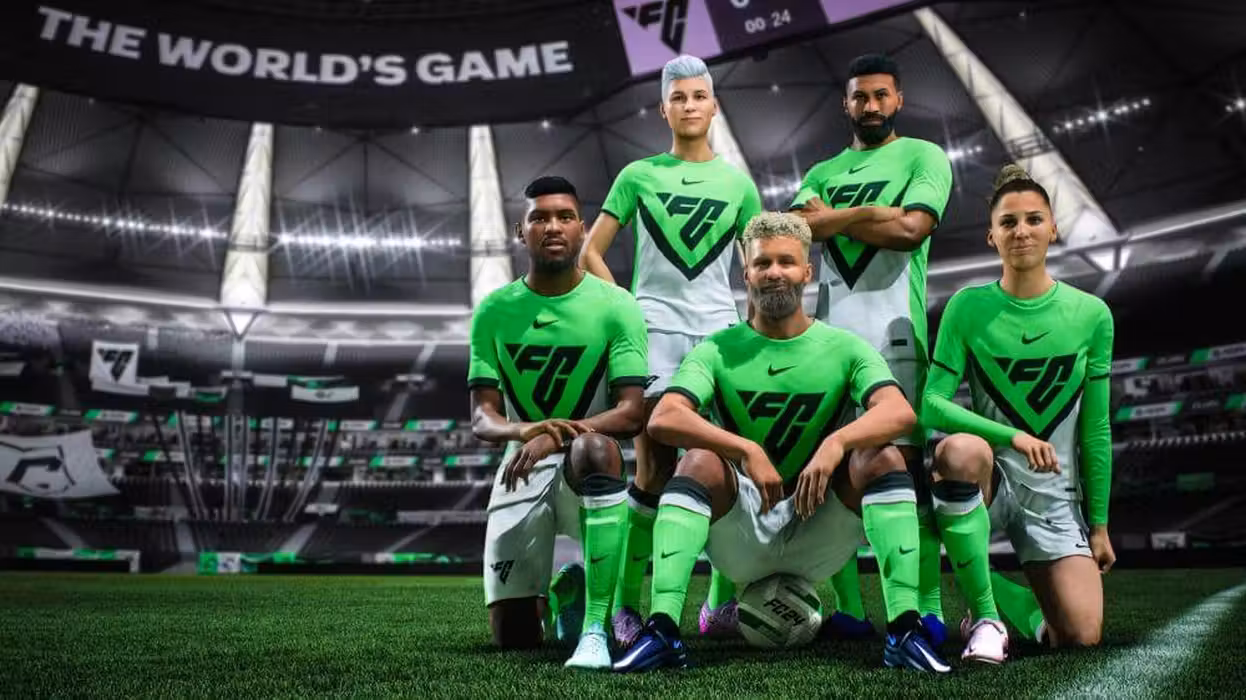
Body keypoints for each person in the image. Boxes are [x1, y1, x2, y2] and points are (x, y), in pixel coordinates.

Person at [612, 212, 951, 674]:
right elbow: (665, 418)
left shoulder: (845, 347)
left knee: (881, 456)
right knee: (698, 461)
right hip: (743, 533)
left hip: (820, 528)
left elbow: (899, 413)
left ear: (807, 271)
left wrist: (836, 444)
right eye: (763, 263)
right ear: (746, 274)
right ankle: (663, 631)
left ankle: (904, 631)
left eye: (786, 262)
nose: (774, 272)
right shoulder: (717, 349)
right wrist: (745, 450)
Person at [580, 54, 762, 646]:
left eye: (698, 96)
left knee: (724, 467)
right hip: (655, 334)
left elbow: (757, 266)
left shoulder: (739, 184)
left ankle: (719, 603)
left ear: (714, 105)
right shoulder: (637, 175)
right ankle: (627, 609)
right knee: (654, 467)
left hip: (720, 336)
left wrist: (754, 329)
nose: (689, 105)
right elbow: (589, 252)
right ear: (663, 109)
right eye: (678, 97)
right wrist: (629, 310)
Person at [921, 164, 1116, 660]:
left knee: (1080, 636)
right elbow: (932, 405)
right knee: (959, 451)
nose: (1021, 231)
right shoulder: (968, 307)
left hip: (1053, 494)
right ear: (992, 236)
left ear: (1054, 229)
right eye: (1008, 222)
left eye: (1034, 219)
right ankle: (986, 615)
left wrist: (1098, 526)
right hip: (990, 478)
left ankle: (1006, 599)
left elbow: (1095, 428)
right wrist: (1013, 437)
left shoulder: (1092, 315)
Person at [791, 53, 953, 642]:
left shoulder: (924, 156)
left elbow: (912, 230)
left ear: (899, 99)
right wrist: (867, 212)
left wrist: (834, 216)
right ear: (846, 103)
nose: (871, 105)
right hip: (828, 346)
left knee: (906, 479)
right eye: (860, 96)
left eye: (882, 95)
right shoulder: (821, 169)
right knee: (832, 477)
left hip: (896, 339)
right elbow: (797, 231)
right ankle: (850, 612)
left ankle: (926, 612)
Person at [470, 176, 649, 669]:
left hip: (589, 467)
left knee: (596, 446)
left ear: (581, 228)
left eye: (565, 217)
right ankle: (567, 591)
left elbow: (631, 412)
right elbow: (483, 417)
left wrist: (552, 437)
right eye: (539, 218)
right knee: (514, 638)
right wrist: (522, 431)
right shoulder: (493, 311)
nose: (553, 226)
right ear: (520, 231)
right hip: (521, 466)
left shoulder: (617, 306)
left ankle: (593, 626)